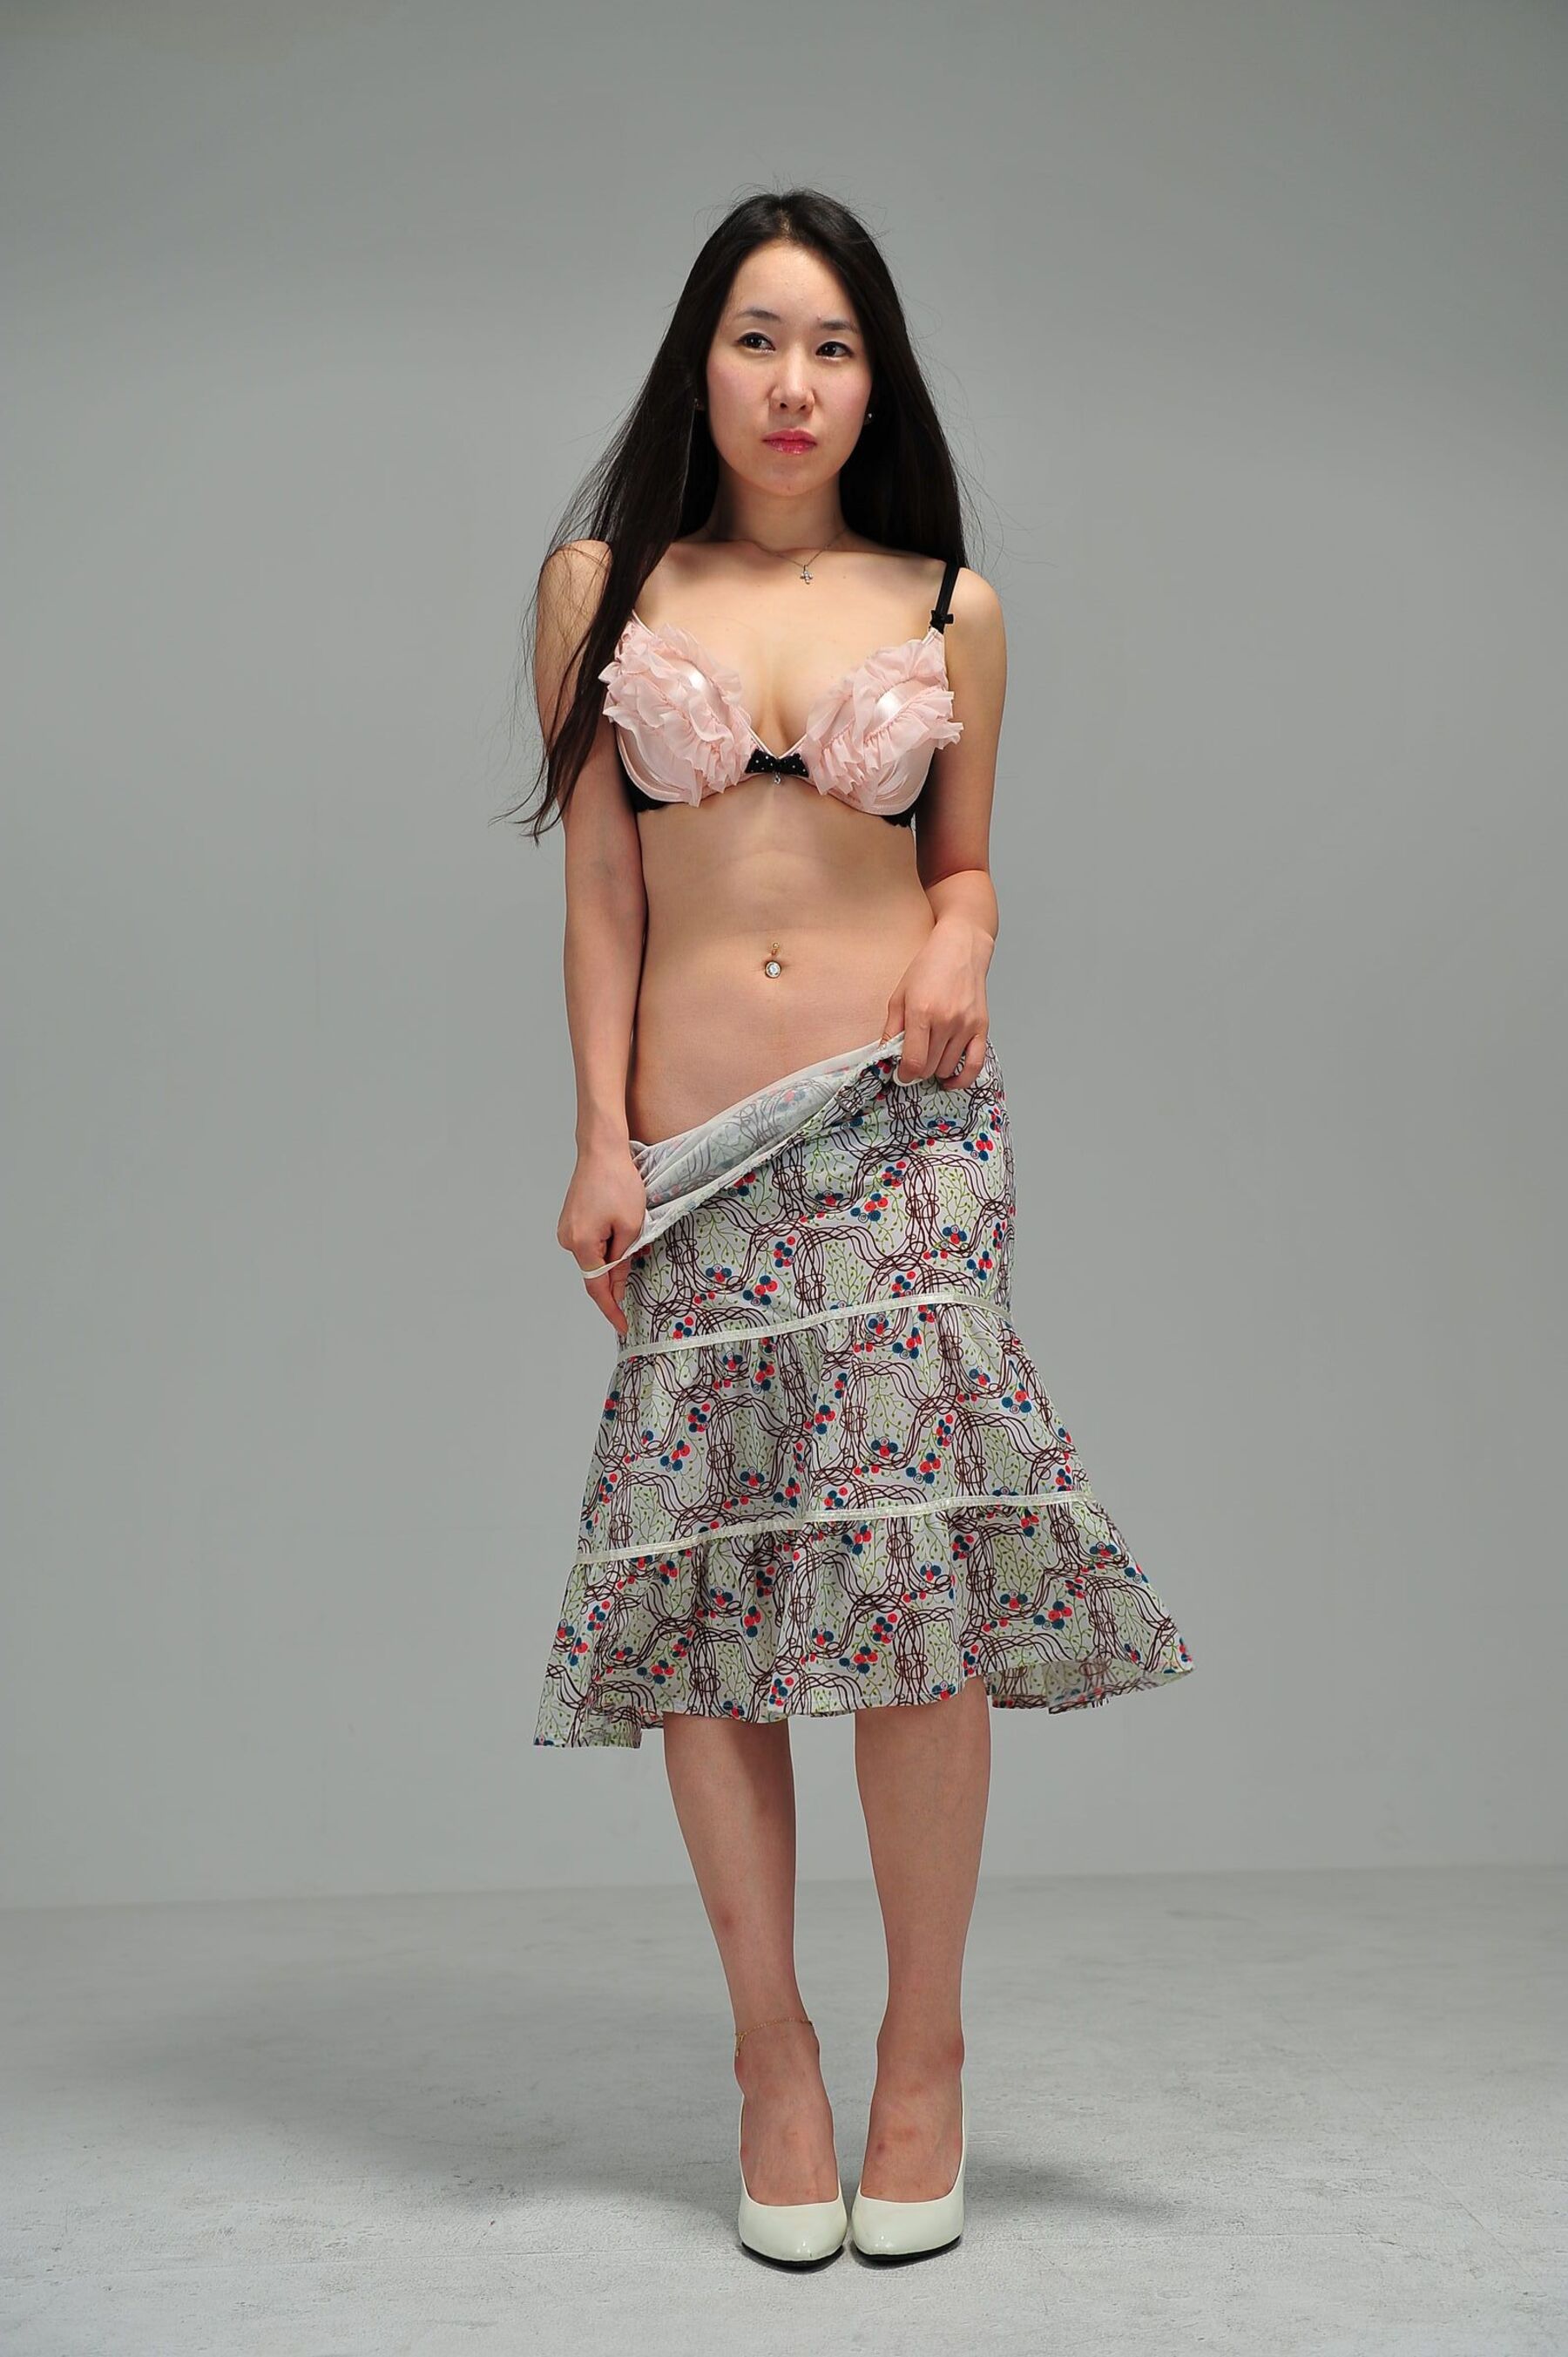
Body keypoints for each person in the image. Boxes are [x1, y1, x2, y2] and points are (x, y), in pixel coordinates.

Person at [511, 188, 1195, 2266]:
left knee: (914, 1595)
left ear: (875, 381)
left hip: (906, 1142)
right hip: (698, 1156)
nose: (792, 382)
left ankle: (924, 2056)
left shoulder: (951, 603)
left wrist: (963, 938)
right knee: (712, 1592)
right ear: (699, 362)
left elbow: (964, 866)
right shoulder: (598, 585)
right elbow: (601, 889)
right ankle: (772, 2057)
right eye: (757, 338)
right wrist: (600, 1140)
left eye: (831, 346)